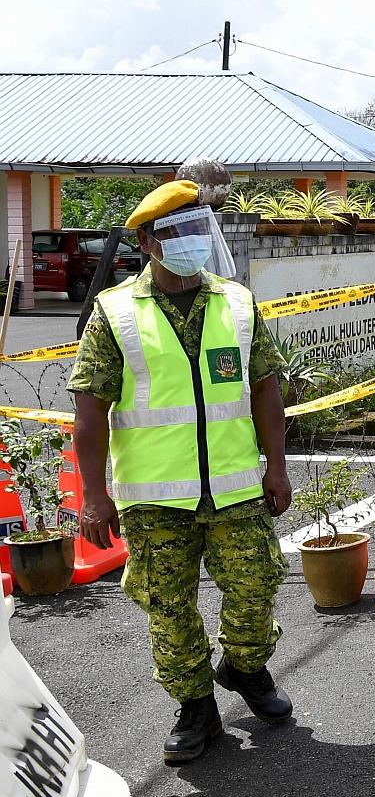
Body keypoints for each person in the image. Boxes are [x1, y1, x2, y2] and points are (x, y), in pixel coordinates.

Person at [68, 176, 293, 764]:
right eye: (178, 231)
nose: (194, 240)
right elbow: (89, 410)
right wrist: (94, 496)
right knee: (168, 608)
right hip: (154, 496)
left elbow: (267, 389)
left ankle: (244, 667)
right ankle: (195, 707)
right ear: (148, 241)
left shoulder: (237, 303)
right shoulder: (114, 313)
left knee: (256, 586)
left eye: (200, 228)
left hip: (236, 485)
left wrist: (277, 466)